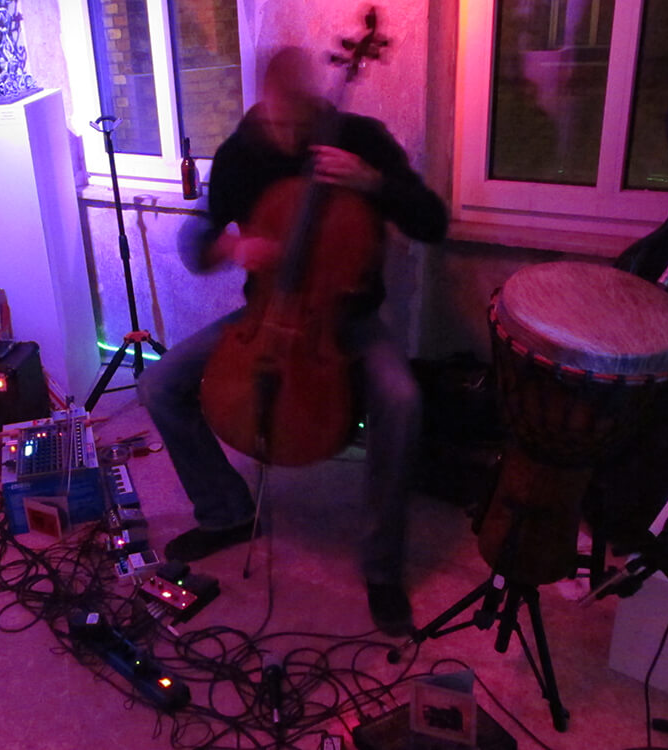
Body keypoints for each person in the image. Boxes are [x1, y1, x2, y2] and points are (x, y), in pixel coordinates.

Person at [137, 46, 447, 636]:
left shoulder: (359, 139)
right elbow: (196, 243)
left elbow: (432, 222)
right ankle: (225, 511)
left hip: (349, 319)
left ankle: (381, 568)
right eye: (278, 119)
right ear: (265, 104)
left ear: (313, 100)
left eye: (299, 117)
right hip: (264, 314)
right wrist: (234, 245)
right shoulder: (240, 154)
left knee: (402, 399)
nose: (288, 133)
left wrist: (373, 182)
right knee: (159, 384)